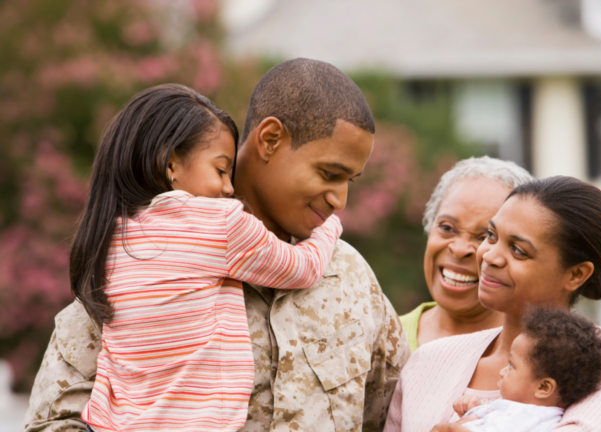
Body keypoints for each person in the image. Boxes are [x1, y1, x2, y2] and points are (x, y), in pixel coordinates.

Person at [23, 58, 410, 432]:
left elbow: (400, 414)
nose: (340, 200)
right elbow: (52, 423)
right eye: (329, 174)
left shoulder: (350, 276)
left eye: (350, 181)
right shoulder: (141, 256)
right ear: (271, 139)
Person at [67, 84, 342, 431]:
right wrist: (329, 228)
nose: (229, 188)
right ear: (170, 165)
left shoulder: (111, 238)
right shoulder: (220, 222)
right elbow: (303, 269)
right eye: (221, 170)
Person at [400, 158, 601, 432]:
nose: (489, 256)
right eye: (491, 236)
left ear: (576, 274)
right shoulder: (427, 361)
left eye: (518, 250)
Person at [399, 157, 532, 352]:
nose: (460, 250)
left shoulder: (541, 354)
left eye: (486, 236)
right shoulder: (380, 339)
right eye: (447, 227)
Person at [452, 307, 601, 432]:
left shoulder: (536, 419)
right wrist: (473, 411)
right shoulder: (512, 407)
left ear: (543, 387)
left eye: (511, 365)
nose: (502, 371)